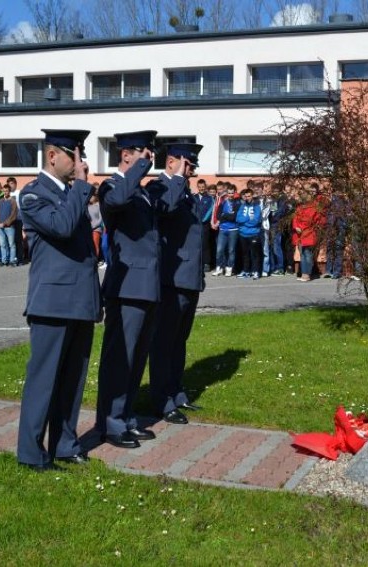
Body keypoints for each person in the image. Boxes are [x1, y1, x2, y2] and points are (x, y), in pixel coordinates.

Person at [16, 129, 100, 471]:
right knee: (44, 381)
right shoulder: (33, 195)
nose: (81, 162)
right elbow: (63, 227)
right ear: (53, 156)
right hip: (51, 302)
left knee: (72, 381)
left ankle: (65, 444)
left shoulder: (72, 194)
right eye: (74, 154)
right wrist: (81, 188)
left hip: (80, 299)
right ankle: (31, 452)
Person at [96, 130, 185, 448]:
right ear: (125, 154)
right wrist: (139, 170)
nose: (148, 158)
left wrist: (176, 177)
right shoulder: (112, 185)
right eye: (143, 152)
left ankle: (126, 417)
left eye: (150, 154)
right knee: (119, 360)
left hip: (147, 285)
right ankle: (110, 422)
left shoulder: (143, 192)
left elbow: (170, 206)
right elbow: (117, 199)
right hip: (127, 286)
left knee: (135, 360)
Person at [149, 142, 206, 426]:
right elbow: (164, 210)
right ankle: (161, 400)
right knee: (163, 343)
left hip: (188, 279)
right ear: (171, 162)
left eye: (192, 167)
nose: (191, 171)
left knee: (178, 342)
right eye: (188, 165)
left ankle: (176, 391)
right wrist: (176, 179)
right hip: (170, 279)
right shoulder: (159, 188)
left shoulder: (185, 192)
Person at [292, 187, 325, 282]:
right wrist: (296, 227)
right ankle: (304, 273)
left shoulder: (315, 207)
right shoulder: (300, 207)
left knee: (308, 254)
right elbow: (295, 219)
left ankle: (307, 274)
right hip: (300, 235)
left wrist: (302, 227)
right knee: (302, 254)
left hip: (309, 233)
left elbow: (317, 221)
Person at [236, 187, 263, 279]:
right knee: (245, 254)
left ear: (252, 196)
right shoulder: (242, 206)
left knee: (254, 254)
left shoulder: (257, 207)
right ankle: (246, 271)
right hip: (243, 233)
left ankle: (255, 271)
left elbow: (256, 221)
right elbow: (238, 219)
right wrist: (248, 219)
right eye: (246, 196)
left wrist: (245, 222)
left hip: (254, 233)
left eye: (249, 196)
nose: (247, 198)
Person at [211, 186, 239, 276]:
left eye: (232, 193)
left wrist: (225, 215)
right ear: (227, 193)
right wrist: (227, 216)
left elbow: (235, 217)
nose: (230, 195)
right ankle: (219, 268)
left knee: (231, 250)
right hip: (223, 229)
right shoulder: (222, 203)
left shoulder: (237, 203)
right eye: (229, 193)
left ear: (234, 193)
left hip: (233, 229)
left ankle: (229, 268)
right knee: (219, 250)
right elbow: (218, 216)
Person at [0, 183, 19, 266]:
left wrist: (5, 223)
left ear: (9, 192)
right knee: (2, 244)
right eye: (4, 191)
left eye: (7, 191)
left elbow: (13, 214)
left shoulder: (12, 201)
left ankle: (12, 260)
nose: (5, 192)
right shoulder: (0, 201)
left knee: (11, 244)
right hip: (0, 226)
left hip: (9, 227)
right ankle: (4, 260)